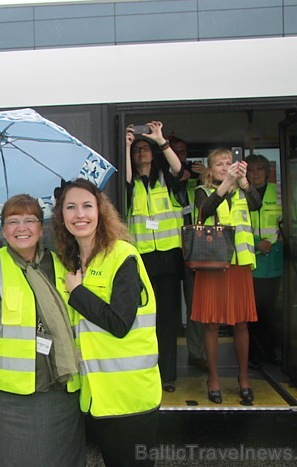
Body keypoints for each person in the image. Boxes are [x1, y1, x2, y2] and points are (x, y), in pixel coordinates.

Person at [0, 194, 85, 467]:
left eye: (30, 220)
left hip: (60, 387)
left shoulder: (62, 264)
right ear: (3, 230)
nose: (22, 228)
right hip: (10, 395)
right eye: (13, 221)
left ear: (41, 228)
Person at [52, 178, 161, 467]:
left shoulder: (122, 255)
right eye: (71, 207)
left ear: (100, 211)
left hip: (130, 396)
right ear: (61, 216)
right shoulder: (74, 261)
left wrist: (78, 292)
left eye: (87, 206)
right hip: (100, 395)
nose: (80, 215)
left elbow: (120, 322)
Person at [191, 148, 261, 404]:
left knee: (241, 323)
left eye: (228, 163)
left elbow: (257, 204)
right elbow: (204, 211)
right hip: (212, 266)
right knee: (211, 324)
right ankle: (214, 378)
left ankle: (244, 378)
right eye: (218, 164)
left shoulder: (243, 190)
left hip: (239, 266)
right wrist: (225, 187)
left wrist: (242, 181)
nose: (224, 167)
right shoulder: (203, 192)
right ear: (210, 171)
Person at [125, 121, 185, 392]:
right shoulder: (131, 185)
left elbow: (179, 168)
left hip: (169, 260)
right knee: (143, 320)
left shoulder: (166, 179)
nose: (141, 153)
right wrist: (126, 146)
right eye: (137, 150)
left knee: (168, 321)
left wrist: (160, 139)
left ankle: (168, 376)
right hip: (142, 261)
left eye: (144, 149)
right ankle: (146, 370)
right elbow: (123, 180)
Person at [169, 137, 207, 371]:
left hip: (197, 249)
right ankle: (167, 358)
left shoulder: (198, 181)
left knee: (196, 306)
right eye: (175, 152)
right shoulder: (162, 179)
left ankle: (197, 352)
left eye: (183, 153)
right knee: (168, 309)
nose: (180, 157)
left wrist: (204, 177)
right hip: (171, 250)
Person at [246, 154, 283, 366]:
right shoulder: (242, 195)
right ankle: (253, 355)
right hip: (252, 258)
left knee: (271, 309)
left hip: (274, 260)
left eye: (260, 169)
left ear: (267, 172)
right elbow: (236, 226)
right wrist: (256, 242)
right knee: (253, 311)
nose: (257, 173)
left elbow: (291, 220)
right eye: (252, 170)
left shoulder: (279, 192)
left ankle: (270, 352)